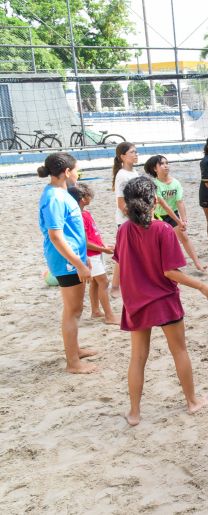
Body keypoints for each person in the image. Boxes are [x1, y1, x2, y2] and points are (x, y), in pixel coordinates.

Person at [115, 177, 208, 426]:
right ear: (153, 202)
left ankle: (135, 412)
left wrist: (115, 287)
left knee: (137, 357)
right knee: (179, 350)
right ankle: (192, 401)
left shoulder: (123, 230)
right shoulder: (162, 230)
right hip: (163, 299)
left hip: (136, 300)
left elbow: (119, 262)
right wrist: (201, 285)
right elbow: (170, 272)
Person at [38, 152, 97, 374]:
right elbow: (56, 236)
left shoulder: (62, 194)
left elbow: (72, 232)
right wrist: (78, 264)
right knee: (72, 311)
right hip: (66, 262)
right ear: (66, 172)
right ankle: (73, 363)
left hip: (74, 259)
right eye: (76, 170)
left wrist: (84, 258)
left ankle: (75, 350)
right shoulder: (54, 197)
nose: (78, 173)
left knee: (76, 308)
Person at [68, 183, 119, 326]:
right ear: (83, 198)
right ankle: (109, 316)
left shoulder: (85, 213)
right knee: (104, 282)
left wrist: (103, 246)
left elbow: (92, 236)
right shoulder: (78, 216)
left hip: (96, 252)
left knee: (96, 283)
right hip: (91, 254)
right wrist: (103, 250)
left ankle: (96, 310)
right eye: (88, 195)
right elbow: (84, 242)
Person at [144, 155, 206, 272]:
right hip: (158, 216)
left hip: (173, 214)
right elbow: (164, 205)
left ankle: (197, 263)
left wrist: (184, 220)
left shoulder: (176, 182)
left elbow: (180, 202)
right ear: (155, 169)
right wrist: (179, 222)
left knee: (184, 238)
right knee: (161, 243)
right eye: (161, 164)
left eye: (167, 163)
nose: (166, 165)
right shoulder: (154, 184)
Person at [110, 142, 140, 297]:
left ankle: (132, 283)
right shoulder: (122, 175)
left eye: (136, 152)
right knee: (122, 255)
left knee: (134, 254)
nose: (135, 154)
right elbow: (121, 203)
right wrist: (137, 217)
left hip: (135, 218)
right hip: (126, 220)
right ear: (122, 156)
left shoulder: (135, 172)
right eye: (132, 152)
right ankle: (115, 286)